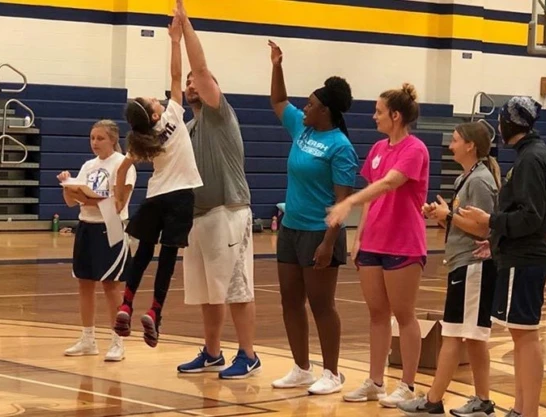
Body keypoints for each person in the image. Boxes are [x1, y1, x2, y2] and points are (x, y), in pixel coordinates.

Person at [171, 0, 261, 379]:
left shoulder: (220, 115)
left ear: (212, 89)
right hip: (199, 217)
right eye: (191, 82)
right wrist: (173, 41)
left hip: (229, 212)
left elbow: (200, 69)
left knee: (237, 289)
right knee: (208, 293)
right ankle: (212, 353)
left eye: (198, 81)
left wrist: (187, 26)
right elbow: (176, 85)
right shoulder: (188, 127)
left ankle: (249, 355)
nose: (192, 82)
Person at [326, 83, 430, 408]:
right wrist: (360, 236)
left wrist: (347, 204)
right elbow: (374, 193)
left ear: (395, 116)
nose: (374, 117)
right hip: (374, 242)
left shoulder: (415, 149)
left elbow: (387, 184)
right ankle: (375, 381)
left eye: (379, 111)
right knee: (376, 314)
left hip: (404, 242)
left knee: (404, 314)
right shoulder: (377, 149)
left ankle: (408, 385)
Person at [266, 40, 358, 394]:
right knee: (290, 300)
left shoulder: (340, 147)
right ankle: (302, 368)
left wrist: (328, 243)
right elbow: (277, 101)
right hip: (290, 230)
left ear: (326, 112)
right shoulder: (301, 129)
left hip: (321, 234)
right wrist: (277, 65)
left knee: (322, 305)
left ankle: (332, 373)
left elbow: (342, 203)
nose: (304, 107)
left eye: (311, 104)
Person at [459, 96, 546, 417]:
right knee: (522, 336)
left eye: (501, 119)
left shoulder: (530, 159)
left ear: (510, 123)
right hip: (519, 254)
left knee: (525, 336)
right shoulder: (531, 154)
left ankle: (528, 412)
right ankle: (521, 408)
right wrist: (497, 240)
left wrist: (490, 223)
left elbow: (530, 216)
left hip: (525, 258)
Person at [113, 12, 203, 348]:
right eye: (153, 101)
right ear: (154, 114)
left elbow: (126, 164)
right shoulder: (173, 116)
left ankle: (126, 302)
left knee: (143, 253)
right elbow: (177, 74)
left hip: (155, 196)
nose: (158, 98)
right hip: (181, 196)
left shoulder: (141, 139)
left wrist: (119, 189)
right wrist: (175, 40)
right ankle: (154, 311)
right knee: (167, 256)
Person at [398, 122, 500, 416]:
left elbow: (482, 227)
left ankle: (432, 400)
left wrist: (450, 214)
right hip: (464, 265)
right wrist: (441, 216)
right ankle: (482, 399)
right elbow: (462, 223)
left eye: (455, 140)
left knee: (454, 335)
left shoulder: (479, 181)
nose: (450, 145)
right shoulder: (466, 178)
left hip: (474, 266)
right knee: (475, 336)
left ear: (470, 146)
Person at [59, 120, 135, 362]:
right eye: (92, 138)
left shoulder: (123, 165)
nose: (95, 143)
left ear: (113, 139)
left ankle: (118, 341)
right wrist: (67, 184)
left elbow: (116, 203)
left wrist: (86, 198)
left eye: (100, 138)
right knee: (85, 283)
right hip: (86, 226)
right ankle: (88, 339)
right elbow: (71, 201)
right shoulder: (88, 166)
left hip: (111, 226)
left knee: (111, 285)